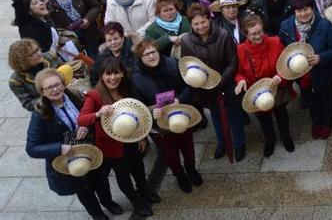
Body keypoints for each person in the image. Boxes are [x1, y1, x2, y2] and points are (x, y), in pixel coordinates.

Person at [26, 68, 117, 219]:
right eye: (49, 87)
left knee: (100, 179)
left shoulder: (76, 96)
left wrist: (86, 126)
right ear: (42, 92)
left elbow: (91, 116)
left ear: (63, 84)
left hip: (89, 149)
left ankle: (108, 203)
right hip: (67, 158)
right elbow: (31, 148)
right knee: (83, 188)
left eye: (57, 84)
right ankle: (96, 213)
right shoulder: (40, 114)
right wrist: (59, 148)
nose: (55, 89)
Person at [77, 58, 157, 218]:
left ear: (122, 74)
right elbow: (81, 119)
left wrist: (141, 136)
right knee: (123, 176)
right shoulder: (94, 95)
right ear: (101, 76)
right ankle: (136, 202)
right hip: (111, 147)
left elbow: (138, 114)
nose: (112, 78)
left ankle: (144, 190)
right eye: (108, 74)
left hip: (131, 139)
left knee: (138, 168)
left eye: (116, 73)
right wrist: (98, 113)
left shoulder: (127, 88)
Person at [130, 39, 202, 193]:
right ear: (140, 58)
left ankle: (191, 169)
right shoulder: (136, 79)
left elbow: (189, 85)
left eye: (153, 52)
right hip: (160, 125)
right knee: (170, 154)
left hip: (181, 114)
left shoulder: (173, 63)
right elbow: (138, 106)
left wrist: (180, 99)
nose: (151, 56)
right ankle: (180, 175)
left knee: (188, 146)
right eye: (146, 54)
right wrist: (151, 112)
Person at [178, 4, 247, 161]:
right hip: (204, 88)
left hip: (226, 83)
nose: (200, 26)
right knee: (215, 115)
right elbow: (186, 64)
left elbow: (233, 61)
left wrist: (222, 79)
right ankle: (222, 142)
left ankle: (239, 144)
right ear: (191, 25)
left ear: (209, 20)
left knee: (234, 114)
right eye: (196, 24)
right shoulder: (186, 41)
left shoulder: (223, 35)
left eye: (203, 22)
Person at [278, 0, 332, 139]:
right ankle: (316, 122)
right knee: (310, 98)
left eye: (306, 9)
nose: (303, 14)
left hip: (324, 72)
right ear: (295, 11)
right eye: (299, 11)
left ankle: (326, 123)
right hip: (302, 74)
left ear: (312, 9)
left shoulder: (325, 25)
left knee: (326, 98)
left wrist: (321, 57)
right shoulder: (286, 26)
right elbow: (282, 48)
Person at [235, 15, 295, 157]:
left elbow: (286, 65)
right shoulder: (241, 49)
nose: (258, 36)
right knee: (264, 118)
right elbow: (238, 72)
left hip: (277, 88)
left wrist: (279, 77)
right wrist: (241, 80)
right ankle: (270, 140)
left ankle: (286, 137)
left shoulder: (275, 42)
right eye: (253, 34)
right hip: (257, 93)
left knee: (281, 114)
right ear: (245, 34)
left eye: (260, 32)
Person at [8, 38, 62, 111]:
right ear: (22, 60)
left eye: (37, 49)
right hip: (48, 110)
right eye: (32, 54)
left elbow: (68, 76)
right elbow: (28, 104)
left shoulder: (50, 57)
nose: (39, 53)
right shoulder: (16, 80)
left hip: (68, 99)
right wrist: (48, 98)